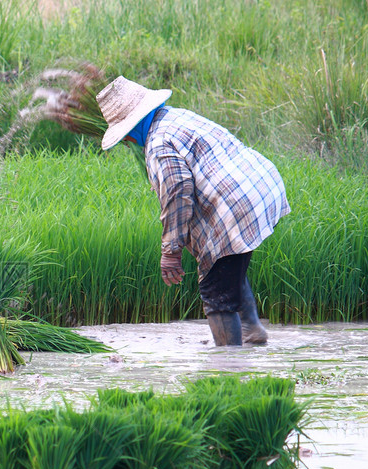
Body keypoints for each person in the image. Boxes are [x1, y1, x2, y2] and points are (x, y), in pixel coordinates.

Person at [95, 76, 290, 346]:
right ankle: (251, 330)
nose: (128, 142)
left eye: (126, 137)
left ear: (129, 131)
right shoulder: (176, 117)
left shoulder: (157, 145)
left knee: (216, 292)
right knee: (226, 266)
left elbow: (177, 192)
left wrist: (171, 251)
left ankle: (228, 368)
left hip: (236, 204)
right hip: (261, 185)